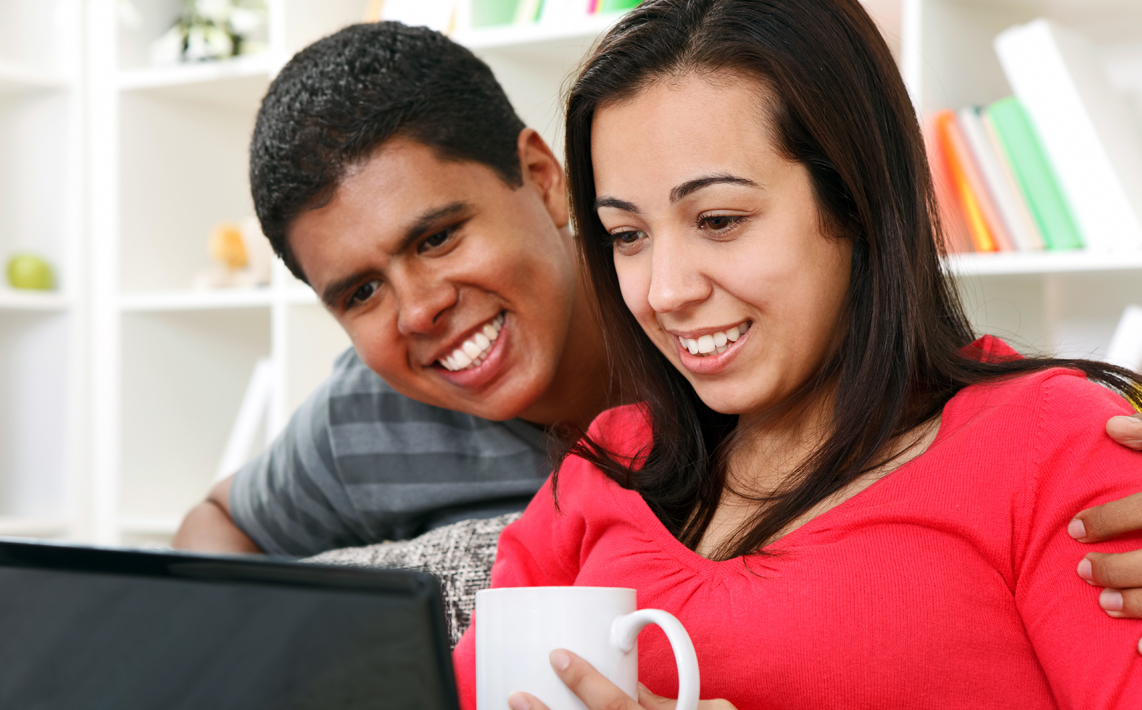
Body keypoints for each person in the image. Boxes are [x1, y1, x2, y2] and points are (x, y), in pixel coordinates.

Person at [168, 19, 1142, 628]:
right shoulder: (365, 417)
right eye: (359, 293)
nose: (419, 309)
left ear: (542, 180)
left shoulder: (747, 350)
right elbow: (213, 534)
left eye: (438, 237)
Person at [452, 0, 1142, 707]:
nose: (665, 292)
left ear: (856, 202)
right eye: (627, 236)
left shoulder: (1054, 447)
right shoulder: (610, 462)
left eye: (719, 220)